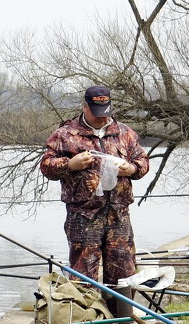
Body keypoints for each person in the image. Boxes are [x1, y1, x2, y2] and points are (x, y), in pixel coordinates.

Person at [40, 86, 150, 287]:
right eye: (97, 113)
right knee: (83, 276)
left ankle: (121, 317)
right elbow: (46, 166)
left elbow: (143, 162)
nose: (102, 118)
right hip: (83, 217)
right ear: (85, 107)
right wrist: (70, 165)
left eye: (106, 113)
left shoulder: (125, 133)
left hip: (119, 215)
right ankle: (87, 316)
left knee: (124, 273)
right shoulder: (65, 134)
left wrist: (131, 168)